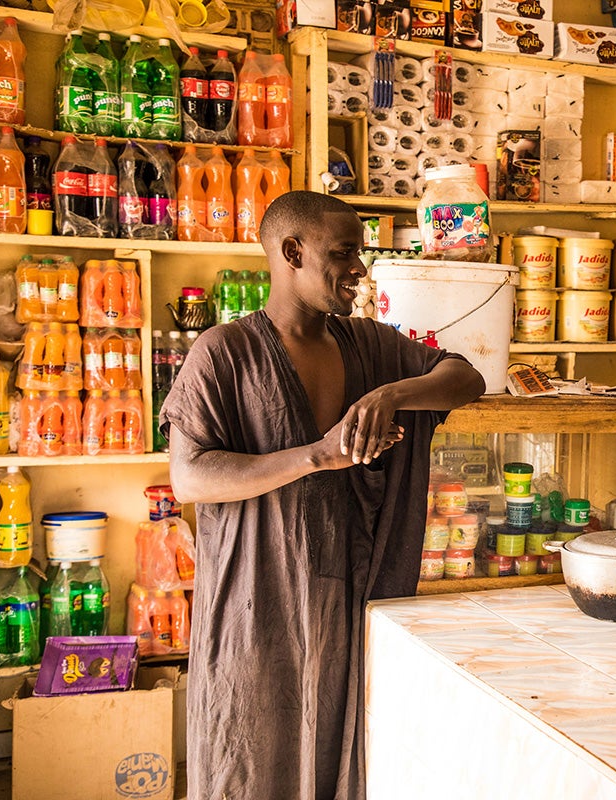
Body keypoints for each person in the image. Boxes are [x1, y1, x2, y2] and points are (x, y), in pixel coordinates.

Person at [160, 191, 485, 800]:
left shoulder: (371, 345)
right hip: (258, 607)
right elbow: (192, 476)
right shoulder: (225, 353)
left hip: (355, 602)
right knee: (254, 761)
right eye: (344, 253)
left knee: (354, 759)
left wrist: (394, 394)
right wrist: (317, 456)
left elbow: (465, 377)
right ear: (292, 252)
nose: (359, 269)